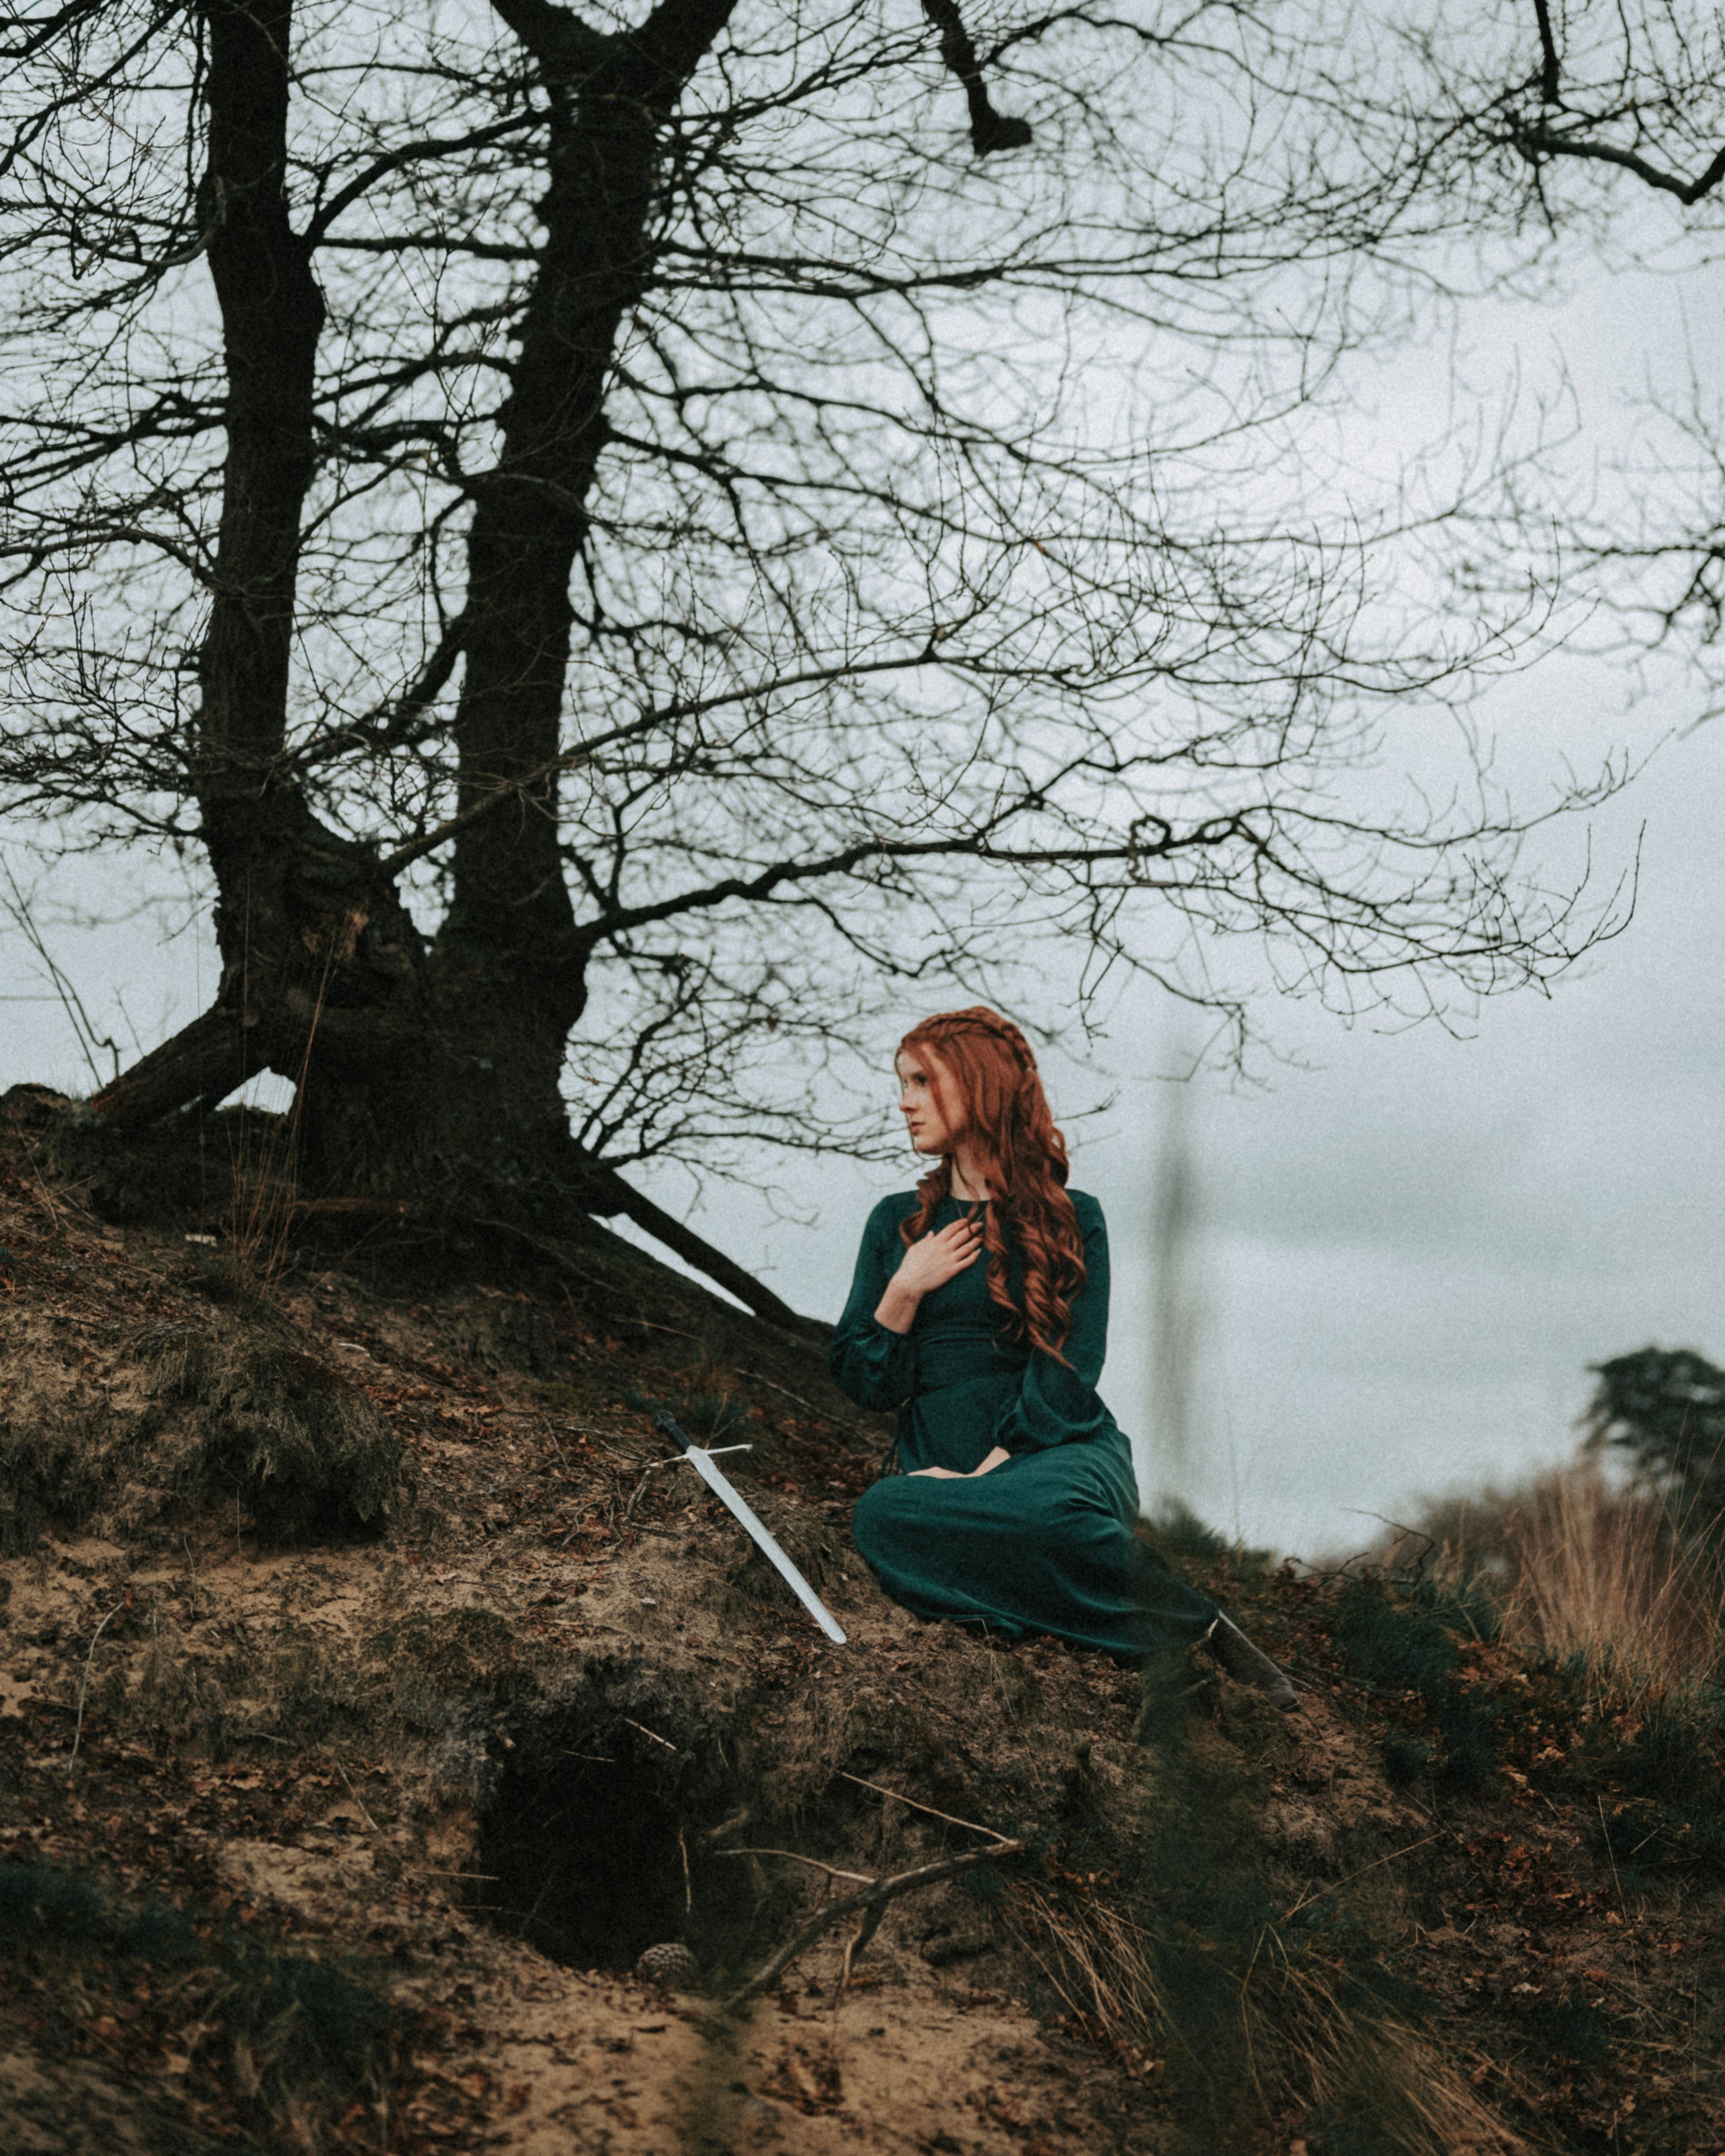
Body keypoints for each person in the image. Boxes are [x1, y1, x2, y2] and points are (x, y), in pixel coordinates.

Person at [830, 1005, 1294, 1704]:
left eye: (924, 1080)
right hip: (937, 1456)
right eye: (904, 1081)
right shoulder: (895, 1222)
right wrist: (903, 1289)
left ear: (979, 1084)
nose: (905, 1100)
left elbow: (1073, 1367)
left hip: (1057, 1448)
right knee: (882, 1514)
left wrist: (993, 1469)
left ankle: (1200, 1628)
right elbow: (865, 1380)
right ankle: (1152, 1629)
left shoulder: (1074, 1216)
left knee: (1058, 1515)